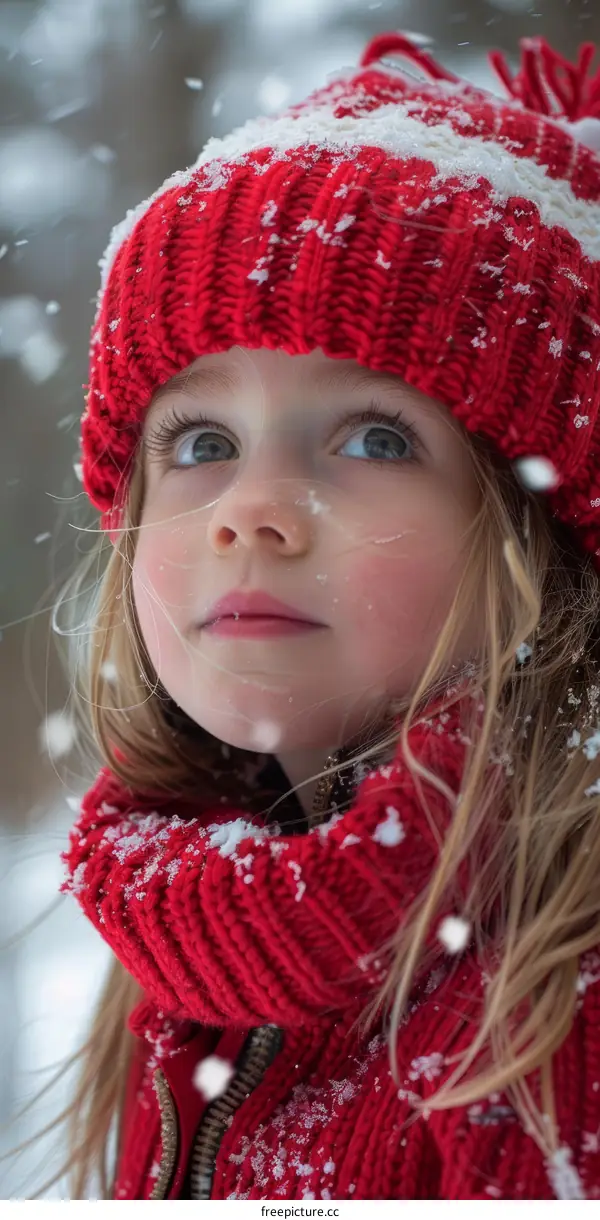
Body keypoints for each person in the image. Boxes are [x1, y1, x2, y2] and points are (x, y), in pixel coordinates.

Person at [55, 29, 600, 1200]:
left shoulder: (555, 1028)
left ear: (535, 536)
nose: (252, 511)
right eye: (202, 443)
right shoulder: (186, 945)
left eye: (373, 436)